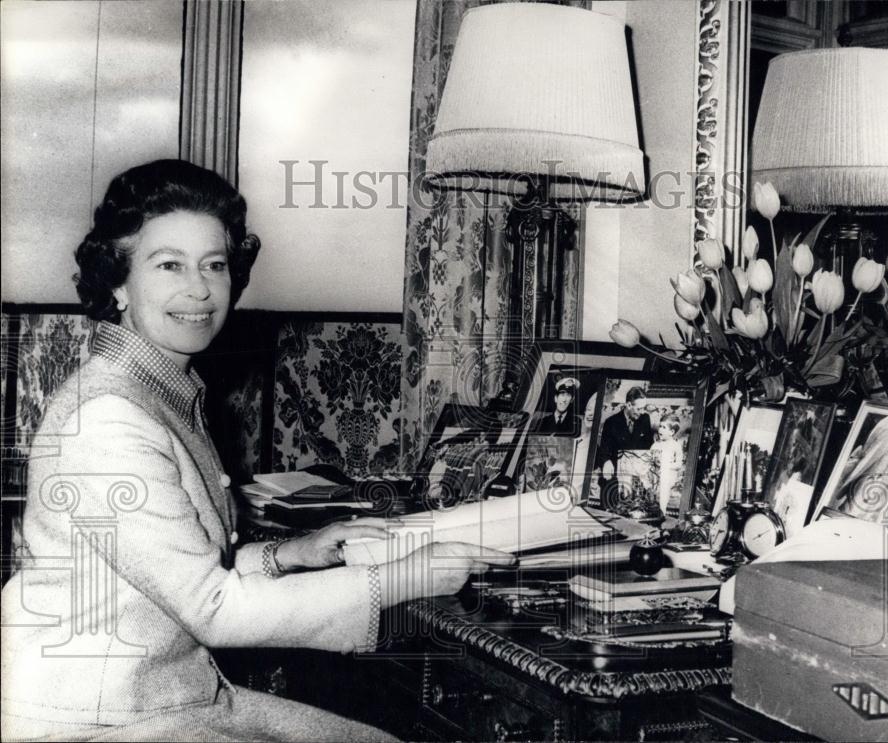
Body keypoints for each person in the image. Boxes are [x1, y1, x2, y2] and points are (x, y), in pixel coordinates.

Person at [0, 160, 513, 742]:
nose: (199, 289)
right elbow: (213, 608)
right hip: (89, 719)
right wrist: (413, 578)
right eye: (169, 265)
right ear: (117, 283)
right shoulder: (108, 418)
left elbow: (186, 568)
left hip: (165, 697)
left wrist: (292, 553)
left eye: (214, 265)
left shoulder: (156, 389)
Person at [595, 385, 654, 510]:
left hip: (636, 475)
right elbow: (604, 449)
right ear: (628, 405)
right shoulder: (611, 422)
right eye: (639, 408)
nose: (642, 411)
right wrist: (606, 462)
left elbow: (649, 447)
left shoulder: (645, 419)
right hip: (615, 475)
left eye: (644, 408)